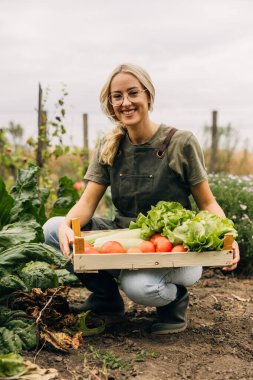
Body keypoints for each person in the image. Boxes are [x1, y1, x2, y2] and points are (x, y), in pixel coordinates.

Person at [43, 63, 240, 335]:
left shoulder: (180, 142)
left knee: (140, 288)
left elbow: (207, 203)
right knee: (53, 229)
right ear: (111, 104)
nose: (125, 102)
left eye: (133, 93)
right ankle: (107, 299)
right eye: (117, 96)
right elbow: (87, 203)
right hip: (125, 236)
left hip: (172, 248)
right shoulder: (109, 144)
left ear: (148, 95)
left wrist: (229, 235)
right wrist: (67, 225)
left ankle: (175, 300)